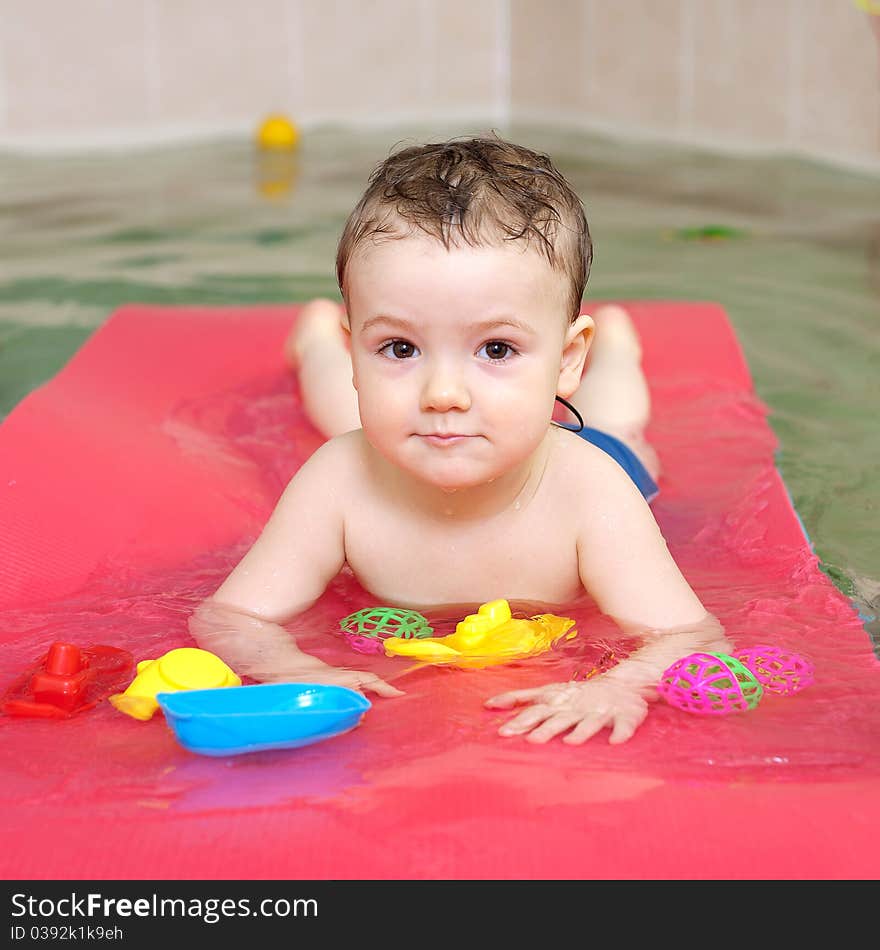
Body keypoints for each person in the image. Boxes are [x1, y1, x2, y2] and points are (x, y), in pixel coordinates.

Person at [190, 134, 727, 745]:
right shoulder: (340, 479)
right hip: (395, 435)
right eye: (398, 347)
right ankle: (318, 343)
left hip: (587, 440)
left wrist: (620, 683)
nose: (443, 392)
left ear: (567, 357)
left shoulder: (592, 487)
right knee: (345, 419)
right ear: (356, 352)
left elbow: (687, 634)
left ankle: (619, 349)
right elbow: (232, 616)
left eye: (497, 349)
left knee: (619, 422)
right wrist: (295, 668)